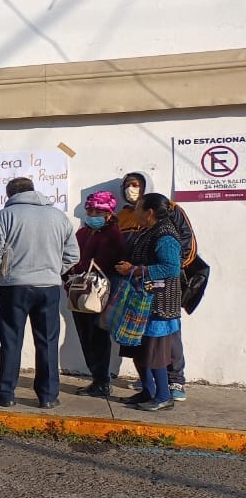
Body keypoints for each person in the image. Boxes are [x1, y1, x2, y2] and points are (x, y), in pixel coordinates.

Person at [0, 178, 79, 409]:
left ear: (10, 194)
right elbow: (73, 255)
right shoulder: (58, 216)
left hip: (14, 287)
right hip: (49, 287)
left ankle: (5, 393)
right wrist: (54, 270)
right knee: (47, 341)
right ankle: (48, 395)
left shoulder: (5, 216)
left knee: (11, 340)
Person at [115, 171, 198, 402]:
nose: (135, 212)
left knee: (155, 353)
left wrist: (136, 270)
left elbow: (171, 267)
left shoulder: (165, 235)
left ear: (149, 212)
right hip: (143, 300)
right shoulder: (148, 231)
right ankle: (148, 391)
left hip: (159, 302)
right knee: (139, 349)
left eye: (139, 208)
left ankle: (163, 395)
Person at [66, 191, 126, 398]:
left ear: (109, 214)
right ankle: (96, 378)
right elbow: (70, 255)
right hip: (78, 292)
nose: (92, 214)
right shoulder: (83, 233)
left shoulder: (113, 235)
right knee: (85, 336)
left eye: (98, 211)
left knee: (97, 337)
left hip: (98, 294)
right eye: (90, 210)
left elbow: (102, 262)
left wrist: (76, 268)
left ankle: (102, 380)